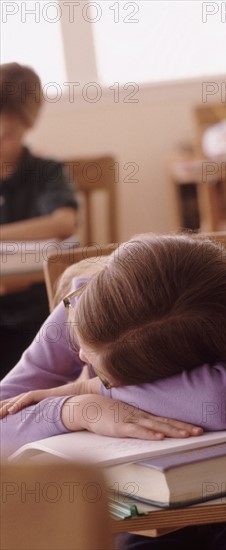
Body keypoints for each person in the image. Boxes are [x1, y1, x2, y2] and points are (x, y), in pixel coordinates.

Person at [0, 234, 226, 549]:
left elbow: (221, 404)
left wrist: (91, 387)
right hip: (139, 504)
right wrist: (76, 409)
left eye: (111, 376)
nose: (79, 354)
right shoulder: (83, 307)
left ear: (171, 365)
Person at [0, 63, 78, 377]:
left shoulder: (45, 171)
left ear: (27, 126)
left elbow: (62, 223)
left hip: (35, 309)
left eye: (6, 135)